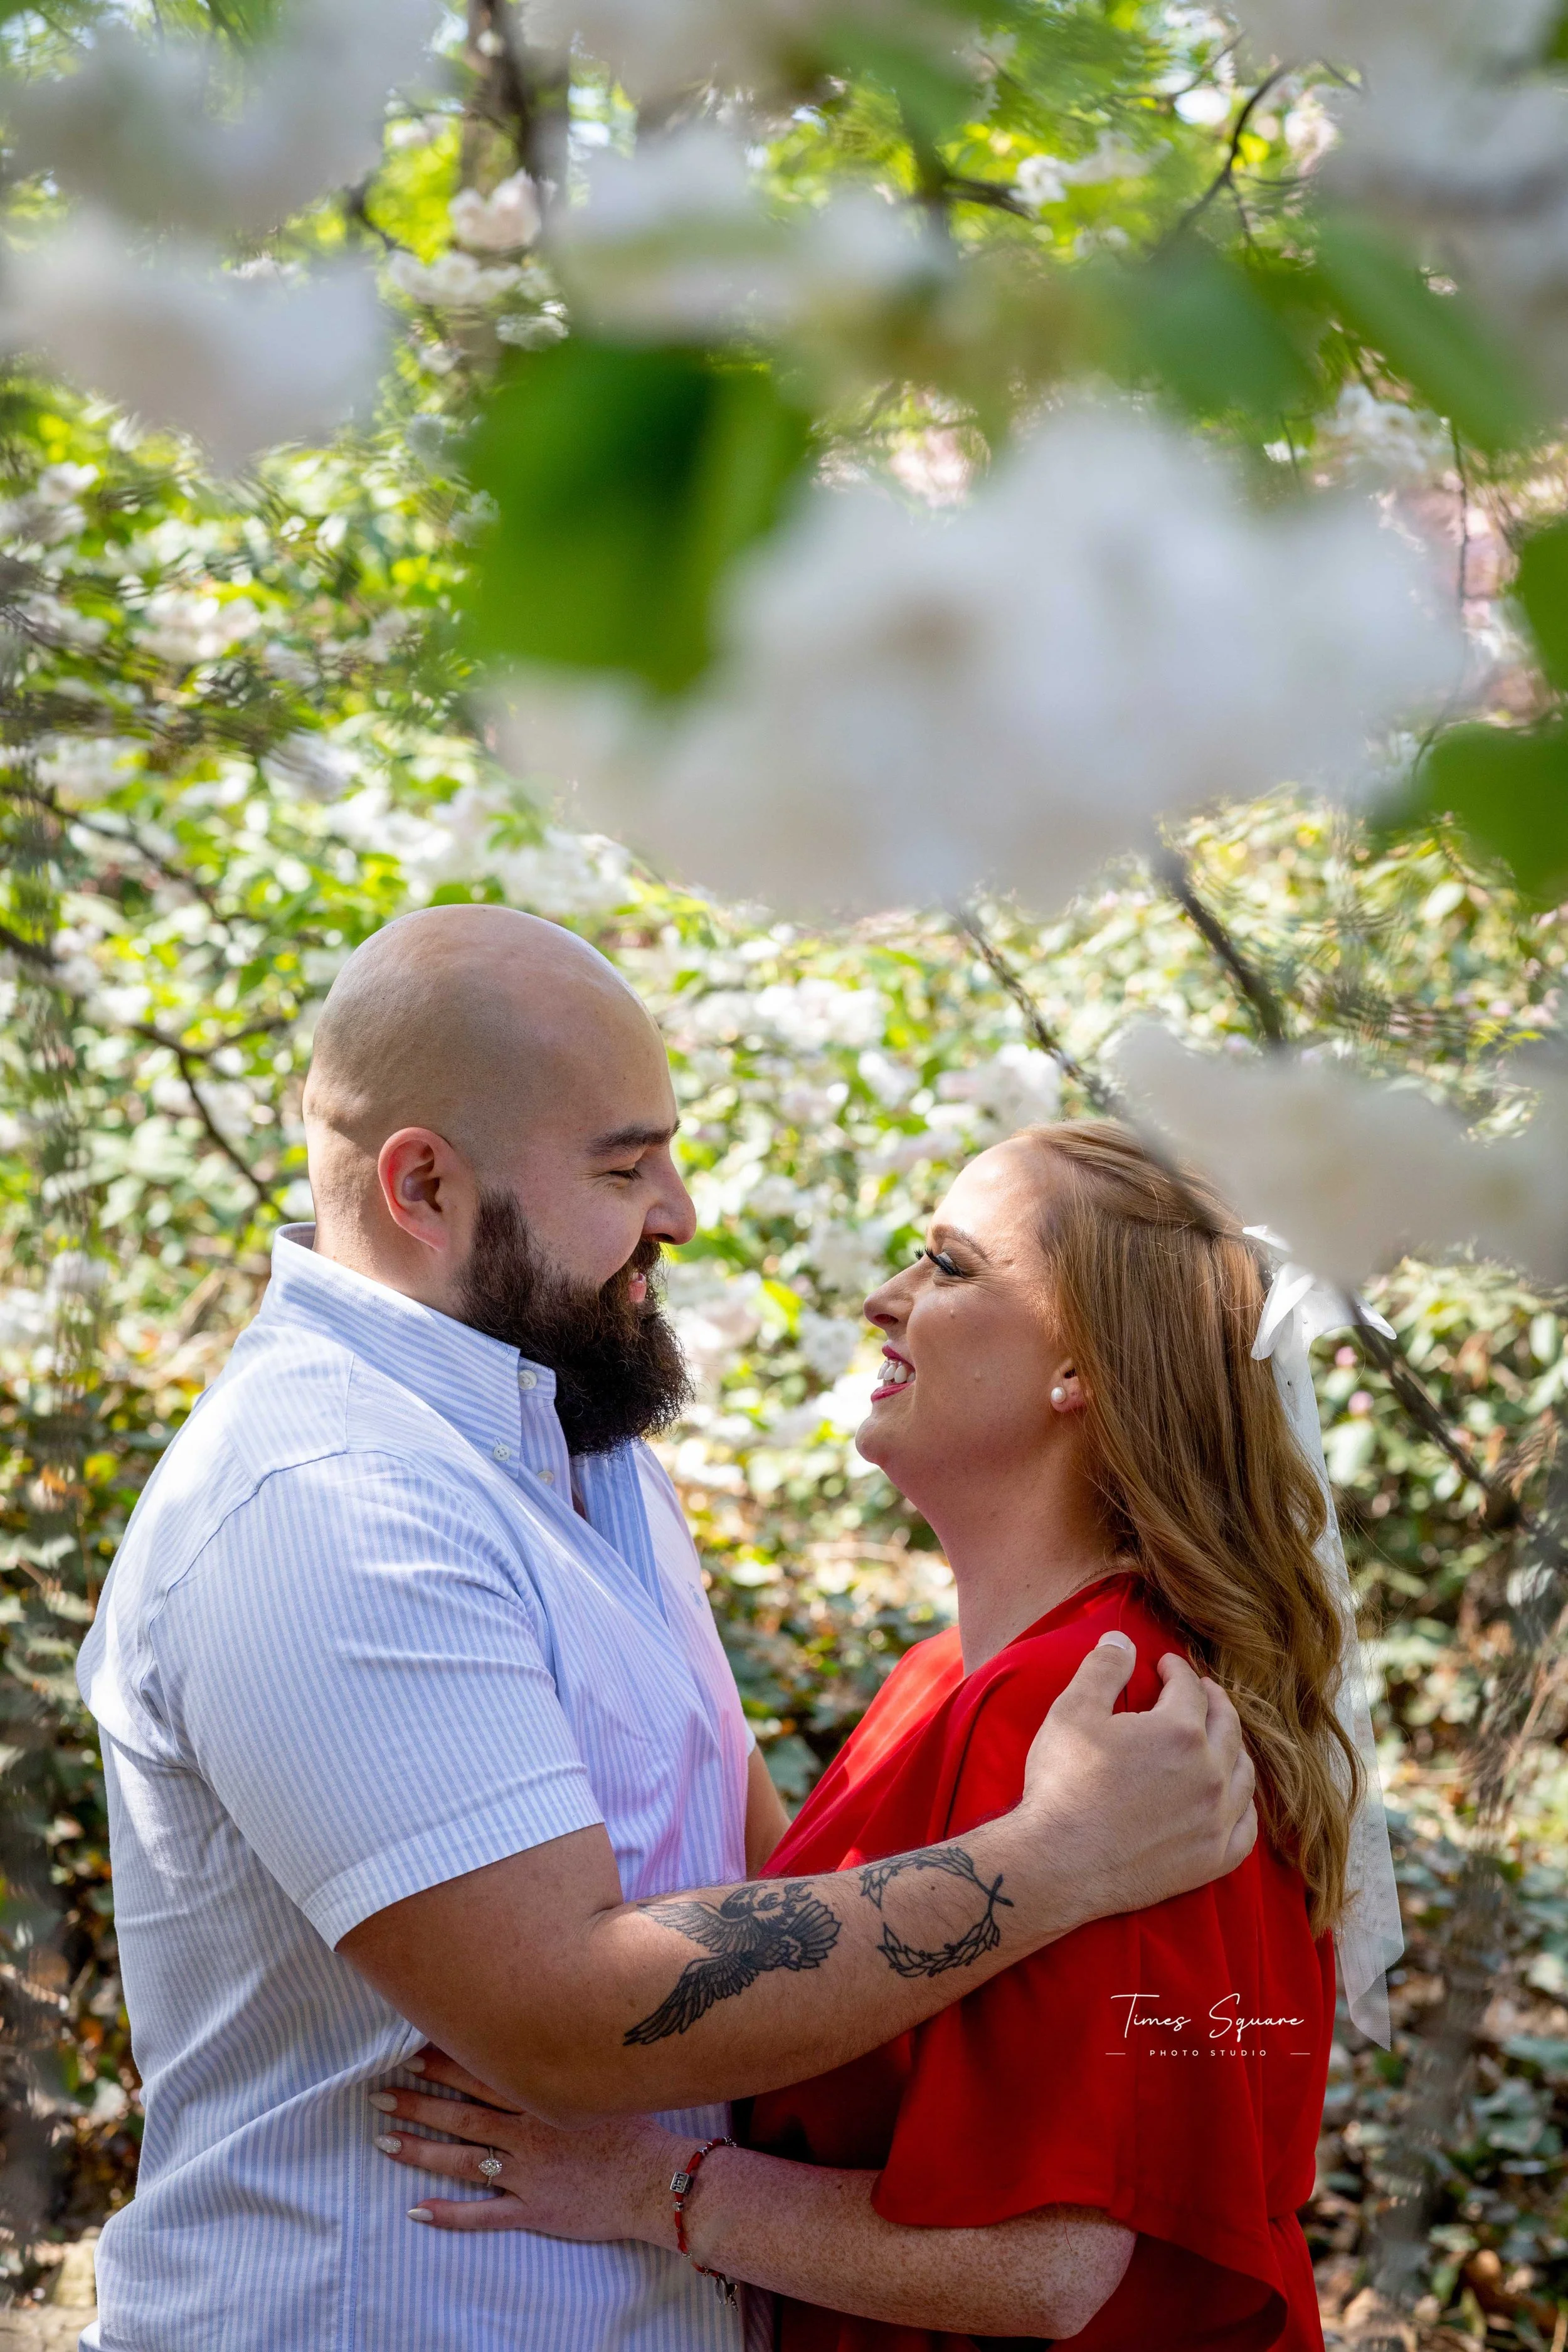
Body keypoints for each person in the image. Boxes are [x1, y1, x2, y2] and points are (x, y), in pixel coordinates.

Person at [77, 912, 1256, 2352]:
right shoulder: (327, 1501)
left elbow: (753, 1880)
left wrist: (700, 2200)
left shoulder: (594, 1459)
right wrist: (1053, 1858)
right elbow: (564, 2017)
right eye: (625, 1166)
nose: (683, 1210)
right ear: (425, 1185)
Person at [373, 1120, 1359, 2351]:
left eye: (947, 1268)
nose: (883, 1301)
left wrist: (646, 2187)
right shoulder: (946, 1678)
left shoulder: (1091, 1711)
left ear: (1083, 1367)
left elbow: (1051, 2265)